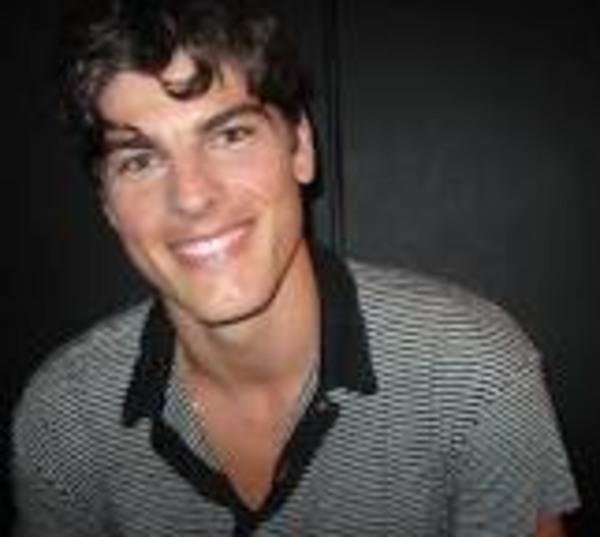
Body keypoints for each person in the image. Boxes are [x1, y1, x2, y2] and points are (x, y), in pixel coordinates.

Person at [11, 0, 579, 535]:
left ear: (300, 147)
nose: (192, 196)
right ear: (108, 204)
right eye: (140, 160)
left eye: (230, 135)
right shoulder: (67, 416)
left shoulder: (470, 374)